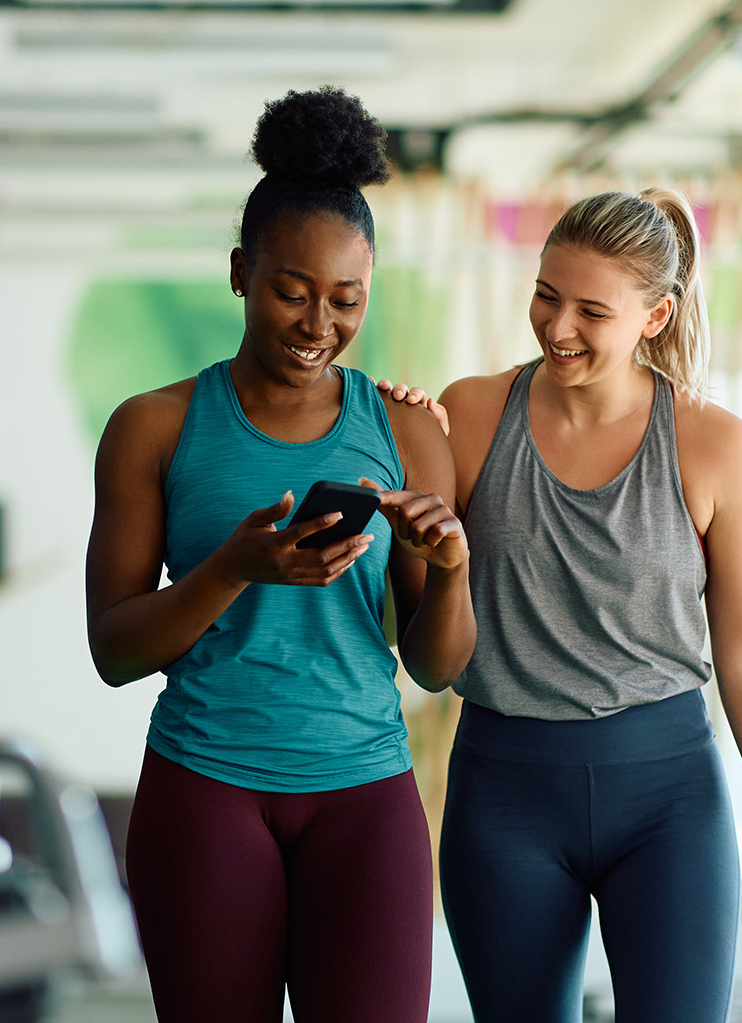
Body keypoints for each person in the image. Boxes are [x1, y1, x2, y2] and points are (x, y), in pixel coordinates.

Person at [379, 188, 742, 1023]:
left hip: (669, 797)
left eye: (591, 310)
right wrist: (402, 434)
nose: (558, 326)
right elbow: (420, 635)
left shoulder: (713, 445)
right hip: (505, 794)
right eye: (546, 295)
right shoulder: (474, 413)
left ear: (655, 316)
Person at [84, 87, 475, 1023]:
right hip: (204, 790)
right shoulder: (153, 427)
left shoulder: (409, 433)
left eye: (347, 301)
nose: (317, 325)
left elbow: (433, 665)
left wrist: (454, 568)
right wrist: (232, 570)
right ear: (239, 274)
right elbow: (114, 651)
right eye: (290, 291)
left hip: (366, 793)